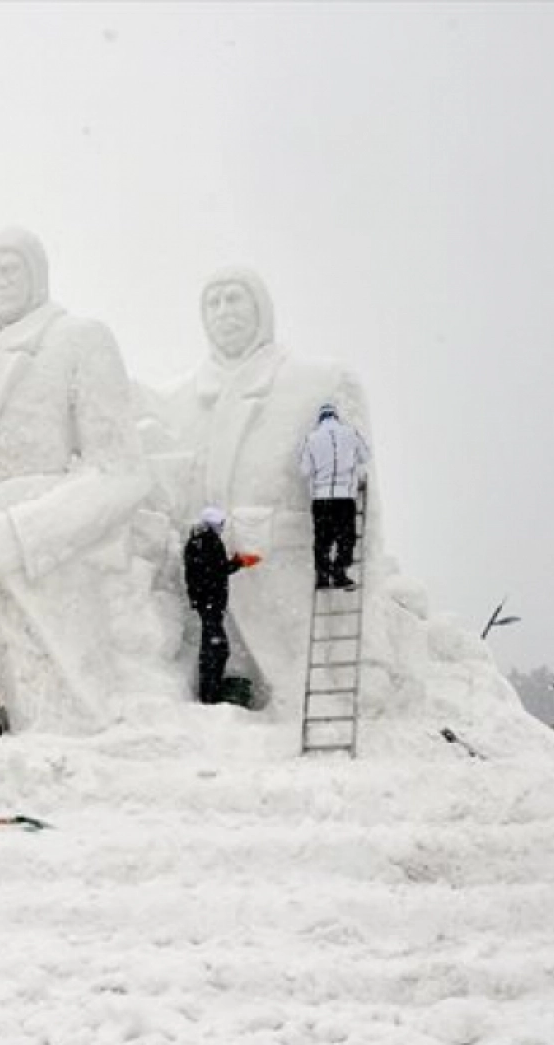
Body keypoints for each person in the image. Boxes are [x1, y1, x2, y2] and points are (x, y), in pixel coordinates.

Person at [0, 226, 154, 733]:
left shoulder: (78, 340)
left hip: (48, 563)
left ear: (37, 274)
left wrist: (21, 535)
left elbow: (123, 473)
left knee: (63, 728)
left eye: (10, 269)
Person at [137, 267, 373, 713]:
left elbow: (366, 509)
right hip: (211, 585)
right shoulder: (178, 399)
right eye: (214, 302)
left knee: (305, 690)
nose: (224, 312)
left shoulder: (316, 382)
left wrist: (370, 611)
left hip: (287, 573)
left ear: (261, 308)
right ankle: (218, 691)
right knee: (214, 654)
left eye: (235, 299)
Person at [183, 507, 261, 704]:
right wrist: (238, 563)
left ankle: (210, 690)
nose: (222, 528)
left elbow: (208, 569)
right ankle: (210, 692)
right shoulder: (207, 541)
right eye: (221, 524)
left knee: (214, 647)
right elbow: (215, 570)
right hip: (210, 601)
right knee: (216, 648)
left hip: (207, 601)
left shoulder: (197, 541)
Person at [298, 402, 371, 590]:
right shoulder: (351, 433)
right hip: (345, 498)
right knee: (346, 538)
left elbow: (304, 470)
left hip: (321, 498)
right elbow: (365, 456)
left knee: (323, 540)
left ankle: (323, 577)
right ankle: (340, 573)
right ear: (336, 416)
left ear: (320, 419)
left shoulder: (311, 438)